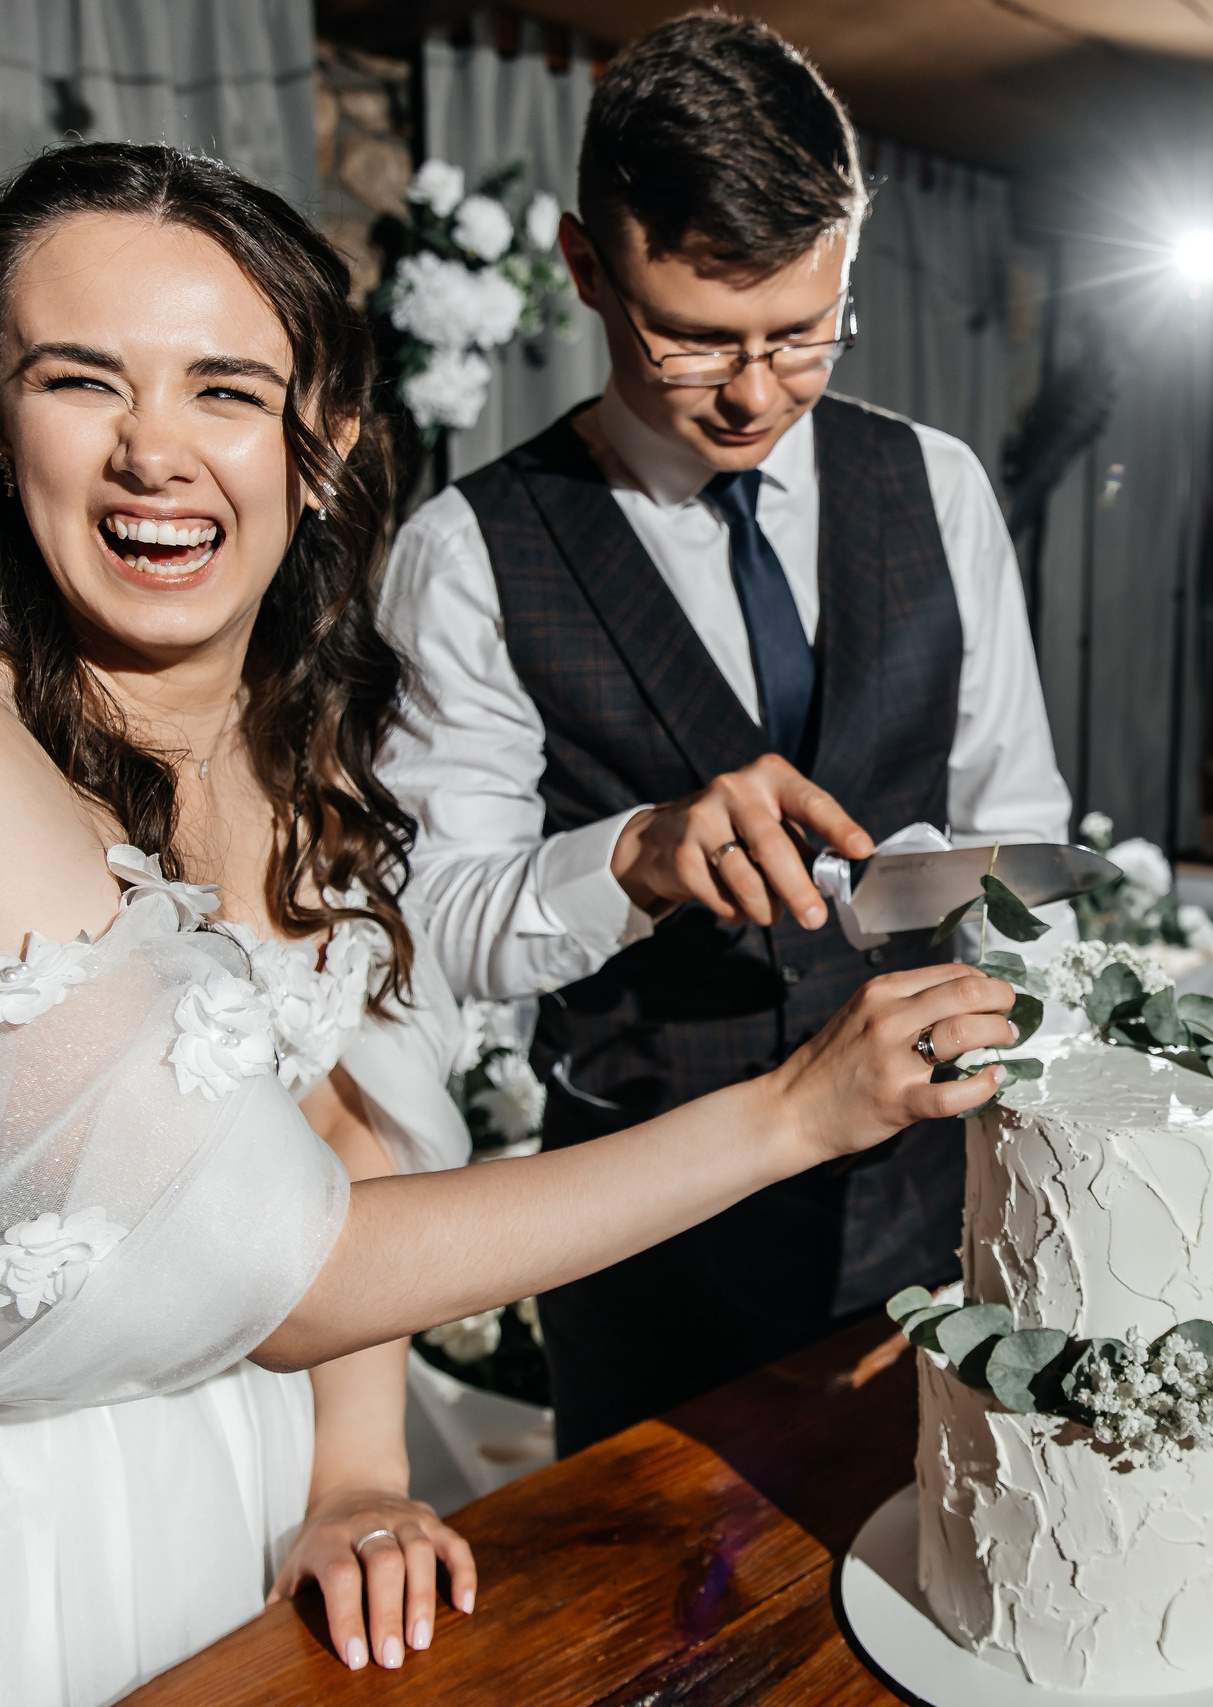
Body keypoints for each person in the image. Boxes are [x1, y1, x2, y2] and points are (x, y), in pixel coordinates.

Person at [0, 141, 1015, 1707]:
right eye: (79, 382)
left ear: (319, 440)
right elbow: (274, 1257)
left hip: (242, 1483)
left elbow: (341, 1117)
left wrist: (354, 1471)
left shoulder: (288, 743)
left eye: (225, 390)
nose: (154, 453)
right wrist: (798, 1111)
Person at [378, 16, 1069, 1454]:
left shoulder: (934, 487)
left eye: (803, 333)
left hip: (927, 1189)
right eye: (695, 336)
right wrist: (628, 855)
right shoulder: (467, 550)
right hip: (641, 1221)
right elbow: (430, 924)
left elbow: (1025, 827)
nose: (755, 392)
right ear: (586, 270)